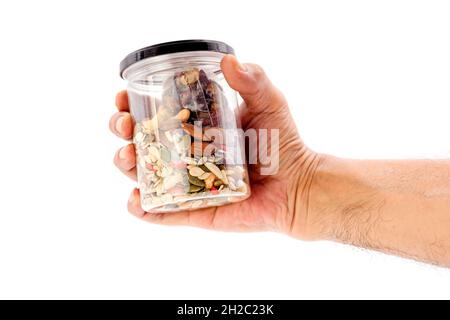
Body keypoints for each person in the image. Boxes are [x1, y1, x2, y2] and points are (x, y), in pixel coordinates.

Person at [110, 55, 450, 267]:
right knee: (145, 146)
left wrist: (305, 187)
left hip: (223, 181)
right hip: (204, 184)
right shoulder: (173, 123)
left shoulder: (209, 109)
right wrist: (303, 188)